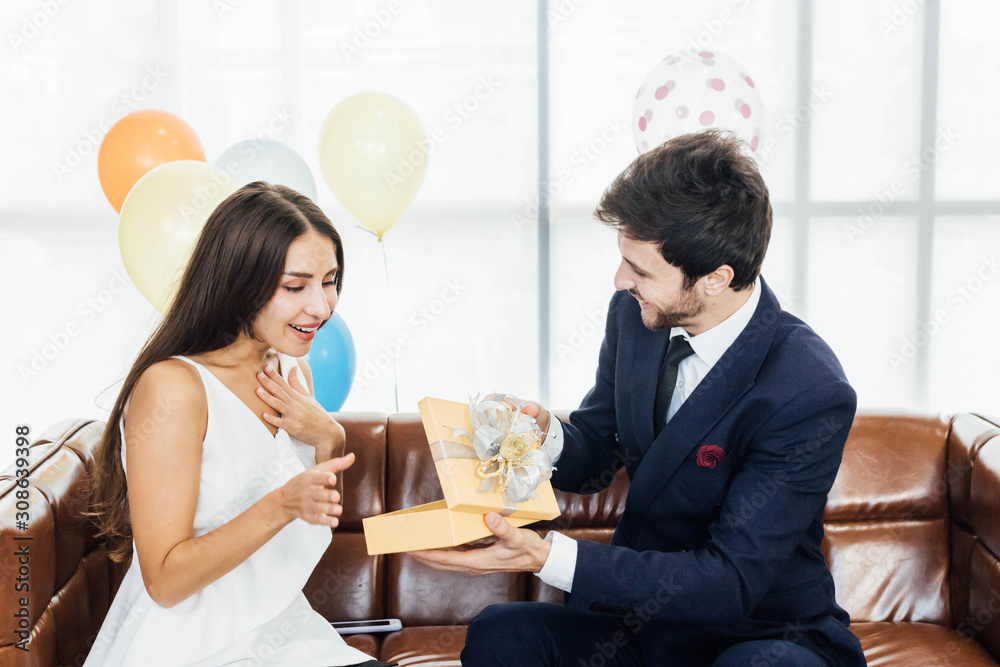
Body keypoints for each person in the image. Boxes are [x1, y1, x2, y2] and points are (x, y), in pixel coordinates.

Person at [412, 130, 867, 666]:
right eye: (623, 260)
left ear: (716, 278)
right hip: (640, 626)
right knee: (502, 636)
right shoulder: (637, 316)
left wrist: (546, 556)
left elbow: (730, 581)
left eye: (641, 270)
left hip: (757, 633)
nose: (619, 280)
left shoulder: (809, 389)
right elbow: (598, 453)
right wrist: (544, 435)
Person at [85, 182, 391, 666]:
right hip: (193, 646)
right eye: (295, 287)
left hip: (283, 628)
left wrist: (329, 440)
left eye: (329, 280)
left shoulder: (292, 372)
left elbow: (309, 526)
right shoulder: (173, 387)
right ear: (239, 283)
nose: (322, 307)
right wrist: (281, 504)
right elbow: (164, 582)